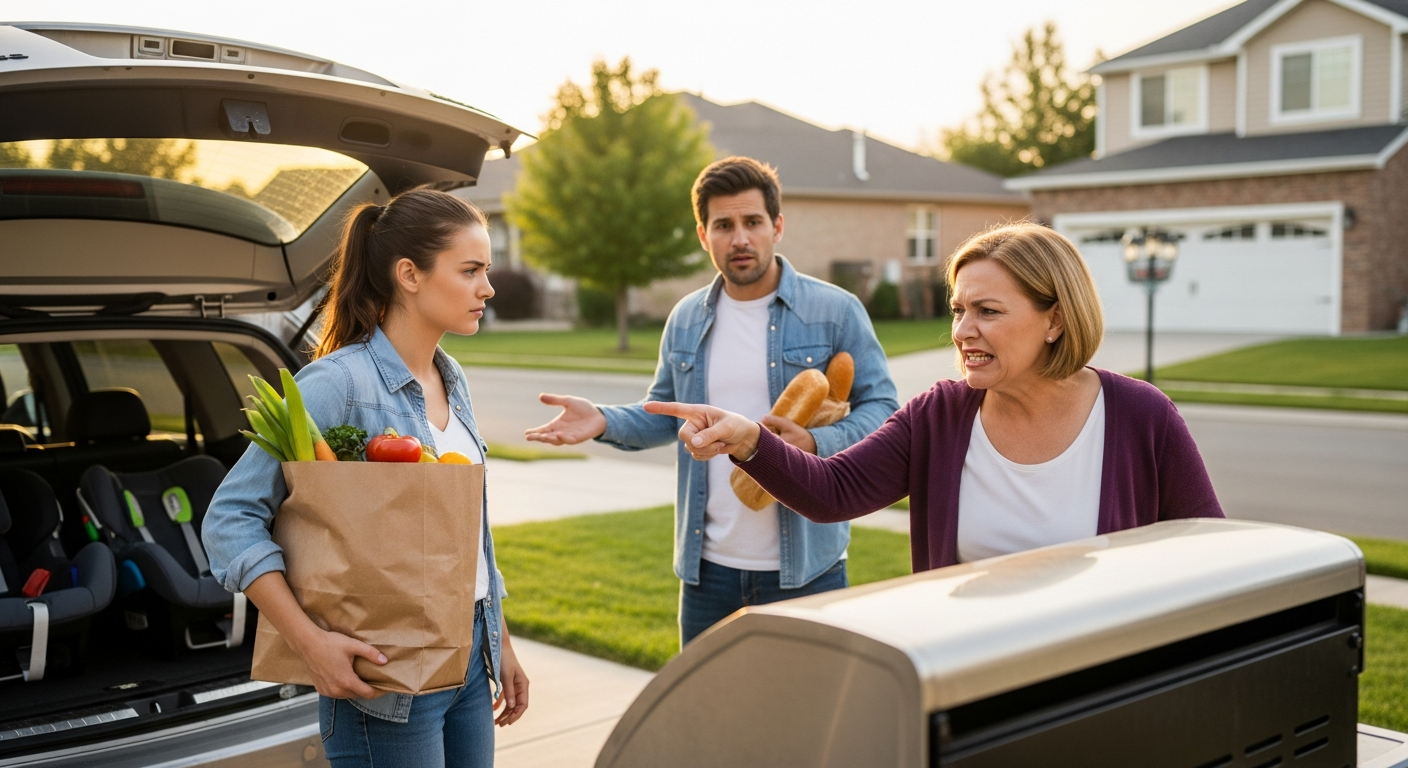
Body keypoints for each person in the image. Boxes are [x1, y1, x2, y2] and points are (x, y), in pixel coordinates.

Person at [645, 222, 1224, 571]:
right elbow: (833, 491)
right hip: (969, 693)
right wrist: (749, 439)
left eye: (987, 311)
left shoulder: (1141, 417)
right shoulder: (940, 415)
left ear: (1055, 319)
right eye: (958, 310)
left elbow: (1210, 551)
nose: (962, 331)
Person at [203, 189, 528, 768]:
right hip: (382, 677)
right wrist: (310, 643)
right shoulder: (339, 384)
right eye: (470, 270)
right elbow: (230, 520)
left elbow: (465, 533)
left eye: (486, 270)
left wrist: (500, 640)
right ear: (410, 274)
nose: (488, 287)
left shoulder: (452, 379)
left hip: (470, 659)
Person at [526, 157, 899, 645]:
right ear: (704, 235)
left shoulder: (835, 310)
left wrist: (815, 442)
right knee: (708, 699)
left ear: (777, 226)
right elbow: (666, 411)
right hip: (708, 573)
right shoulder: (686, 318)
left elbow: (883, 409)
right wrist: (601, 420)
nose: (739, 238)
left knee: (806, 698)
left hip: (808, 569)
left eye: (753, 222)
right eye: (724, 225)